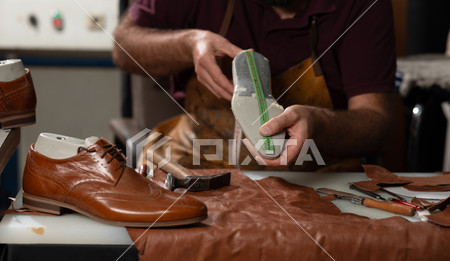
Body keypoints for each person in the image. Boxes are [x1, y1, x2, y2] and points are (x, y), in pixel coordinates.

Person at [113, 0, 396, 169]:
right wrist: (188, 44)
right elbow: (123, 45)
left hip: (313, 174)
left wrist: (319, 124)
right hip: (196, 157)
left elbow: (377, 122)